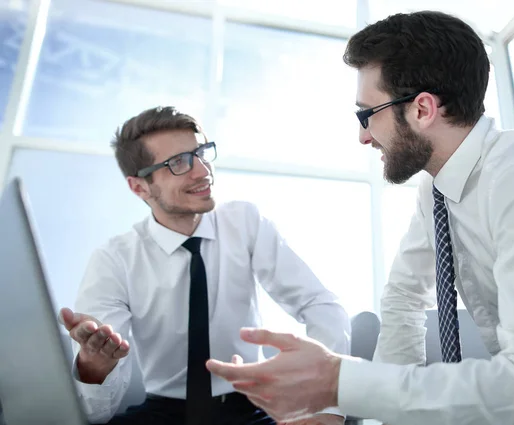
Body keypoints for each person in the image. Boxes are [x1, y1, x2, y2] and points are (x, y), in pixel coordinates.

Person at [206, 10, 514, 425]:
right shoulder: (439, 187)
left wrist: (340, 381)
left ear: (423, 109)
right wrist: (351, 412)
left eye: (366, 114)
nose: (362, 135)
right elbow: (404, 297)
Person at [57, 106, 350, 425]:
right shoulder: (114, 259)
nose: (202, 171)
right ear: (140, 187)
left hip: (249, 407)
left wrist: (327, 408)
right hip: (163, 414)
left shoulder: (244, 223)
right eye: (178, 163)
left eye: (202, 153)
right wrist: (94, 367)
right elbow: (95, 413)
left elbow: (318, 303)